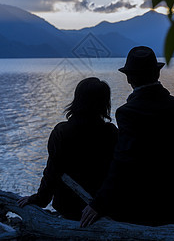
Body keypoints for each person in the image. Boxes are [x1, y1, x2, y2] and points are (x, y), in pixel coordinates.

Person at [80, 46, 174, 227]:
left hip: (142, 212)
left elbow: (123, 162)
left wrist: (98, 203)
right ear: (157, 74)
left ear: (129, 78)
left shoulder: (129, 112)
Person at [17, 77, 118, 220]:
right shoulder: (111, 132)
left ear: (77, 100)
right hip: (101, 207)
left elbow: (52, 171)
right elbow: (115, 173)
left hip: (69, 207)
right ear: (104, 103)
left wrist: (40, 199)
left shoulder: (62, 132)